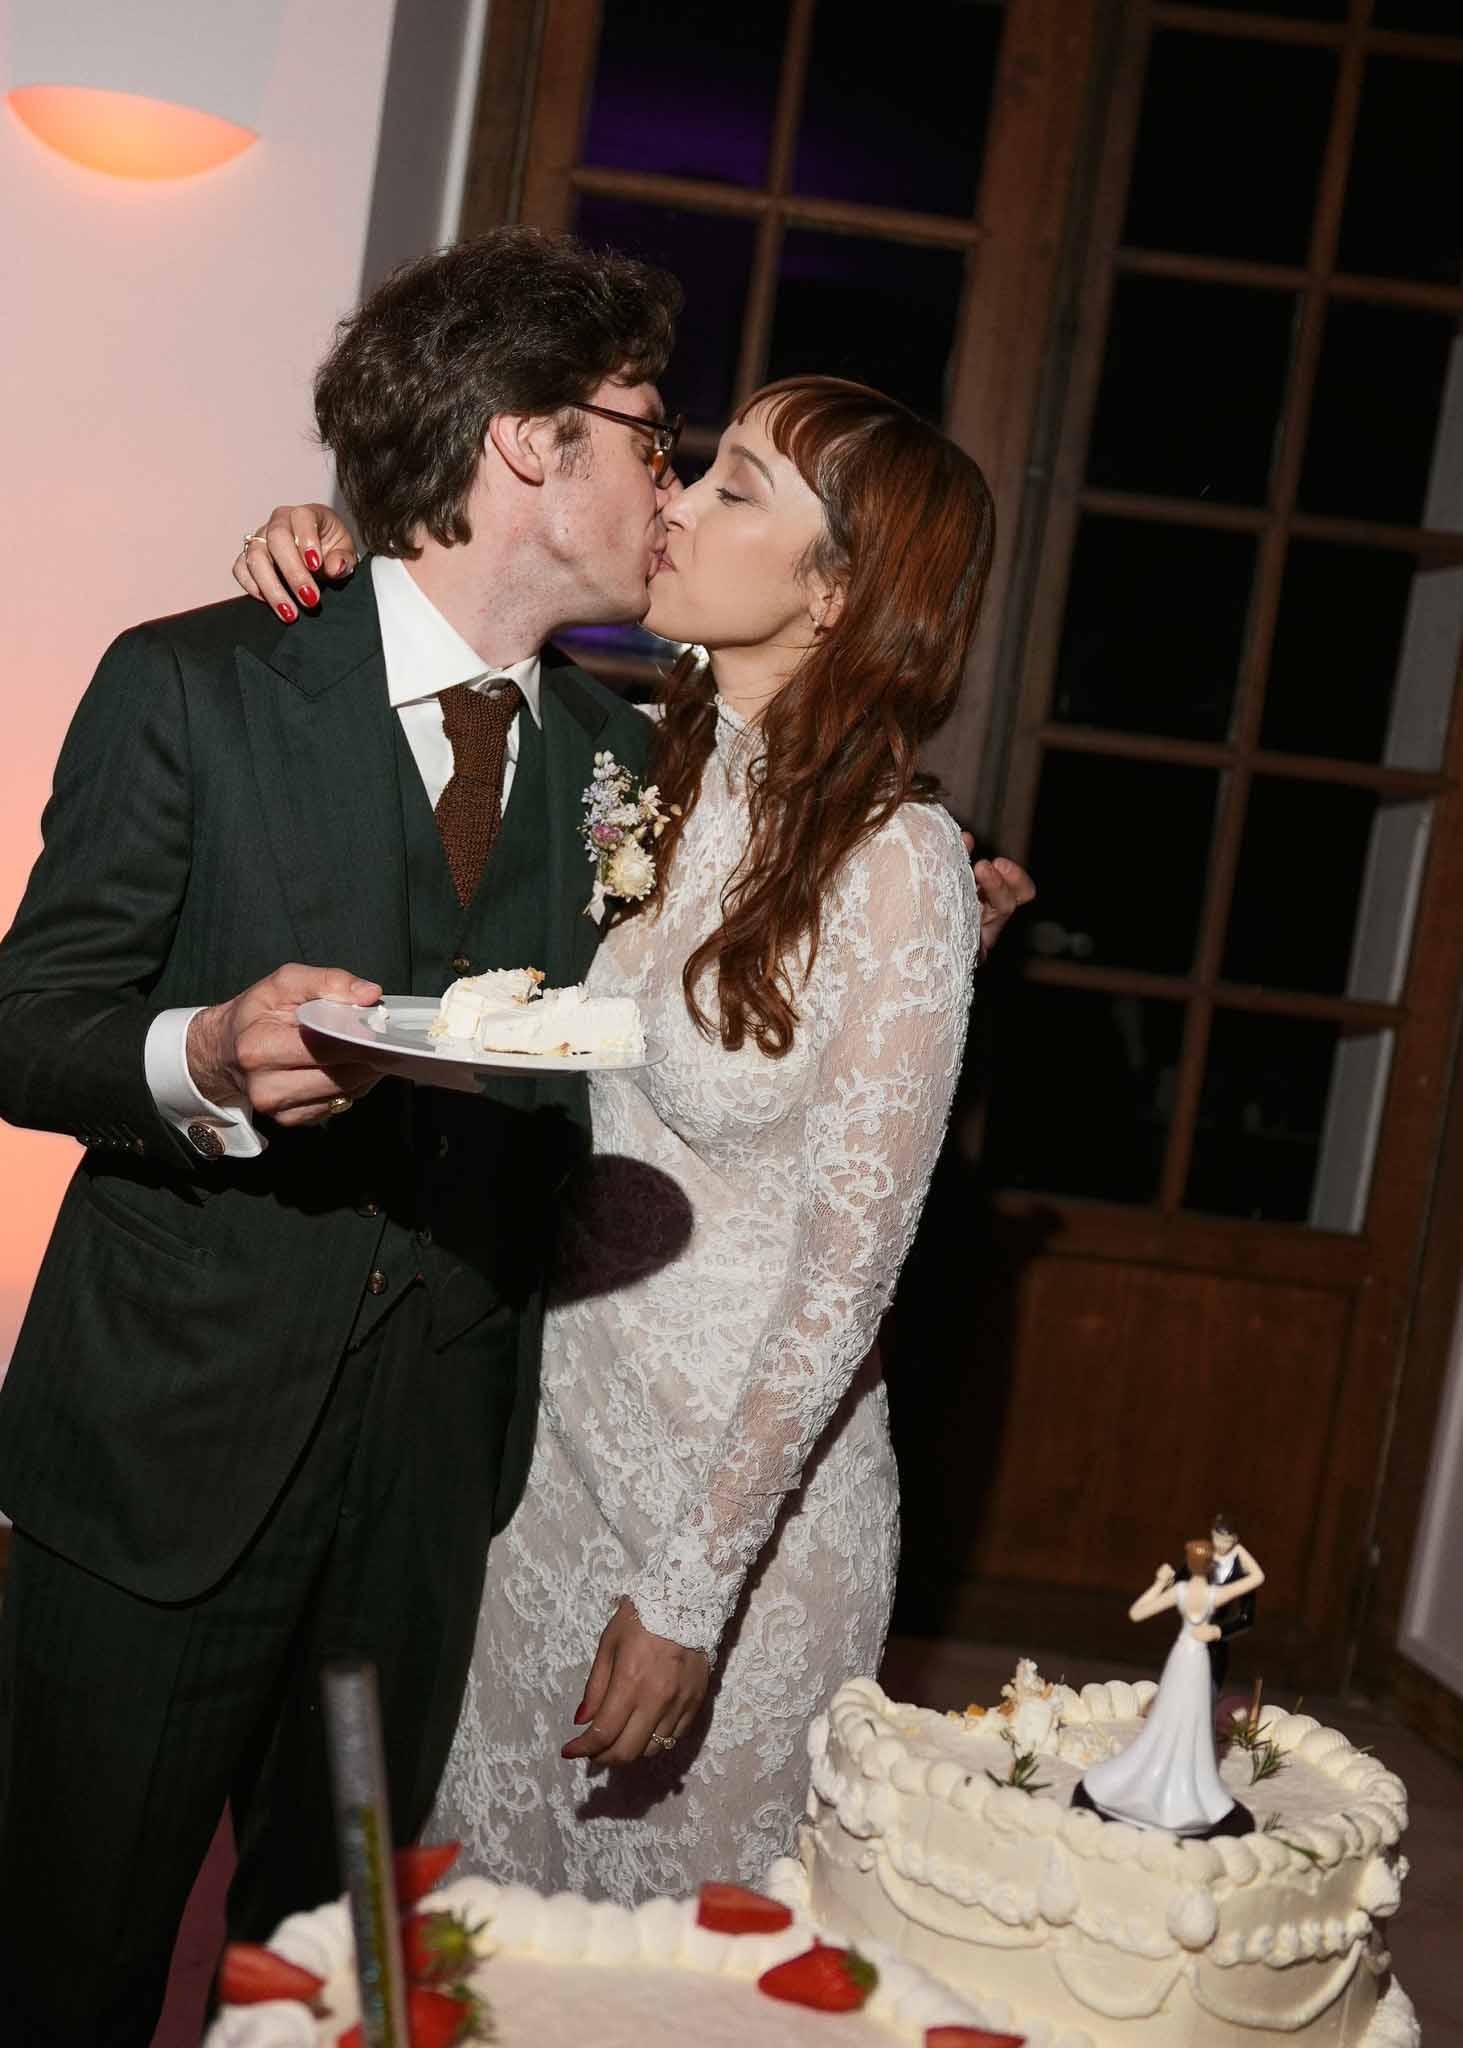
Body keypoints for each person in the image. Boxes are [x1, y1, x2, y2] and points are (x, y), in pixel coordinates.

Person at [0, 227, 683, 2047]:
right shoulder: (203, 680)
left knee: (327, 1983)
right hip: (163, 1458)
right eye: (649, 432)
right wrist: (204, 1056)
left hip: (423, 1493)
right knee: (62, 1963)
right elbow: (31, 1018)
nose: (667, 480)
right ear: (530, 443)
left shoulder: (622, 754)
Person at [239, 370, 1034, 1904]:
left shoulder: (900, 865)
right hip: (545, 1477)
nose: (668, 501)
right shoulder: (645, 768)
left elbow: (841, 1281)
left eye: (732, 486)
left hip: (733, 1518)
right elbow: (450, 663)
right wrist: (325, 553)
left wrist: (690, 1594)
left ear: (838, 588)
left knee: (669, 1976)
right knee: (480, 1930)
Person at [1079, 1536, 1266, 1836]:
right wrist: (1240, 1548)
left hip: (1180, 1657)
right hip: (1198, 1661)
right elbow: (1258, 1577)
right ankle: (1188, 1780)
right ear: (1212, 1566)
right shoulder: (1214, 1596)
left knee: (1167, 1715)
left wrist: (1158, 1583)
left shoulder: (1179, 1590)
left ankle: (1152, 1772)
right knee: (1191, 1719)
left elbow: (1136, 1613)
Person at [1172, 1511, 1255, 1694]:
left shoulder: (1242, 1572)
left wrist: (1219, 1631)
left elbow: (1247, 1617)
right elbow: (1178, 1585)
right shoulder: (1198, 1558)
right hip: (1191, 1630)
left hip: (1217, 1642)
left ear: (1235, 1540)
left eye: (1227, 1540)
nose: (1221, 1544)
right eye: (1217, 1538)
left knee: (1208, 1691)